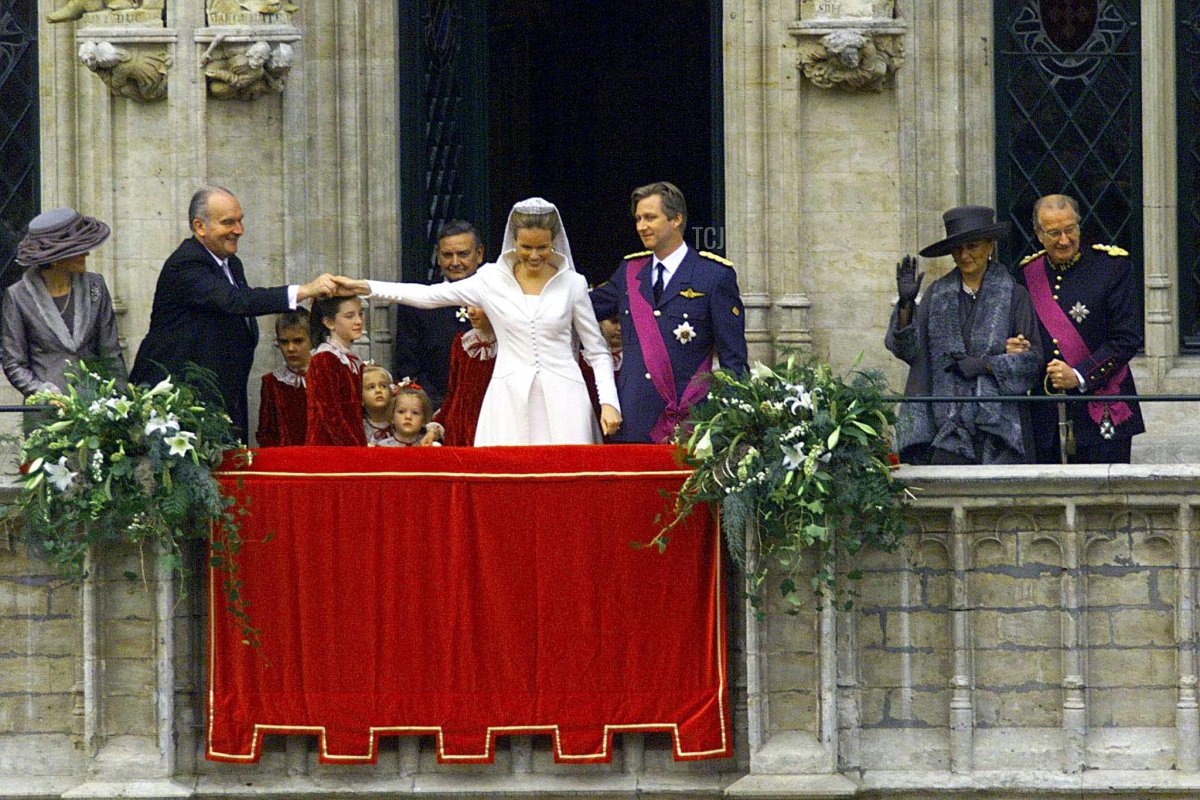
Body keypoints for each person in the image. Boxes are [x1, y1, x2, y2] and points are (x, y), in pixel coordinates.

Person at [336, 198, 621, 445]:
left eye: (542, 247)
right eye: (526, 247)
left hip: (566, 400)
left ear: (554, 242)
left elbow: (596, 350)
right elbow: (427, 295)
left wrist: (609, 402)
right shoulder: (490, 279)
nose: (534, 256)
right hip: (507, 399)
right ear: (513, 241)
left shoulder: (573, 283)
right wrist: (363, 286)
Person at [129, 186, 335, 441]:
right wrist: (304, 290)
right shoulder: (186, 263)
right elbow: (236, 301)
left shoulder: (231, 263)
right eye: (228, 222)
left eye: (240, 221)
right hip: (179, 406)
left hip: (222, 401)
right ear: (200, 226)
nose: (239, 230)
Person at [590, 181, 748, 443]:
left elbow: (734, 361)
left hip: (692, 422)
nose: (641, 226)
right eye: (638, 218)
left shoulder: (713, 276)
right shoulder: (629, 272)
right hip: (633, 420)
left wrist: (729, 426)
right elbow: (582, 307)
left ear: (676, 219)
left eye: (650, 218)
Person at [885, 205, 1044, 465]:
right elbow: (907, 351)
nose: (965, 255)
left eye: (972, 246)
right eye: (958, 249)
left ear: (990, 246)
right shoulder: (936, 295)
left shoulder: (1015, 295)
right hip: (945, 428)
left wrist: (987, 365)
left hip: (999, 430)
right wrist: (905, 305)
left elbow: (1032, 364)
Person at [1013, 194, 1144, 463]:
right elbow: (1019, 332)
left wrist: (1080, 375)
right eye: (1054, 233)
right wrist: (1013, 346)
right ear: (1039, 235)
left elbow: (1127, 338)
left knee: (1106, 504)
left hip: (1103, 411)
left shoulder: (1112, 268)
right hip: (1046, 416)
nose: (1064, 240)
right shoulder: (1027, 275)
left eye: (1070, 229)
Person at [2, 208, 128, 400]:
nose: (86, 253)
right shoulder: (18, 296)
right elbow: (14, 363)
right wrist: (43, 393)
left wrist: (121, 400)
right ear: (54, 258)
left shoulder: (96, 286)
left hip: (96, 410)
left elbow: (111, 353)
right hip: (47, 414)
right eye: (76, 249)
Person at [393, 220, 484, 410]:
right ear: (438, 255)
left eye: (463, 254)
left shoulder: (497, 295)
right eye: (447, 255)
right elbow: (407, 365)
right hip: (434, 407)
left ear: (479, 254)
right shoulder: (417, 301)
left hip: (490, 405)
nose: (455, 262)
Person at [304, 297, 368, 446]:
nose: (358, 321)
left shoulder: (352, 359)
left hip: (352, 440)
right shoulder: (325, 358)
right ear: (329, 322)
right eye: (349, 316)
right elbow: (330, 414)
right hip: (329, 446)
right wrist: (353, 448)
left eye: (360, 314)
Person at [432, 305, 496, 447]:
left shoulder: (506, 346)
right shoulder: (462, 343)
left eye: (478, 305)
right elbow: (453, 392)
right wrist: (437, 427)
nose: (470, 311)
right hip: (458, 427)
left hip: (490, 424)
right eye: (468, 305)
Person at [255, 309, 310, 447]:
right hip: (284, 461)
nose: (290, 348)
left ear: (312, 339)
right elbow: (265, 433)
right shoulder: (272, 382)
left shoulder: (328, 377)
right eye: (284, 342)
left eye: (298, 341)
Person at [377, 381, 441, 447]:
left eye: (415, 413)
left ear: (424, 419)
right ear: (392, 416)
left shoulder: (428, 444)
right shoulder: (383, 447)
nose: (408, 417)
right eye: (401, 412)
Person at [361, 363, 394, 445]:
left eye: (383, 386)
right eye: (371, 387)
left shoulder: (399, 421)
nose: (378, 390)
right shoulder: (359, 427)